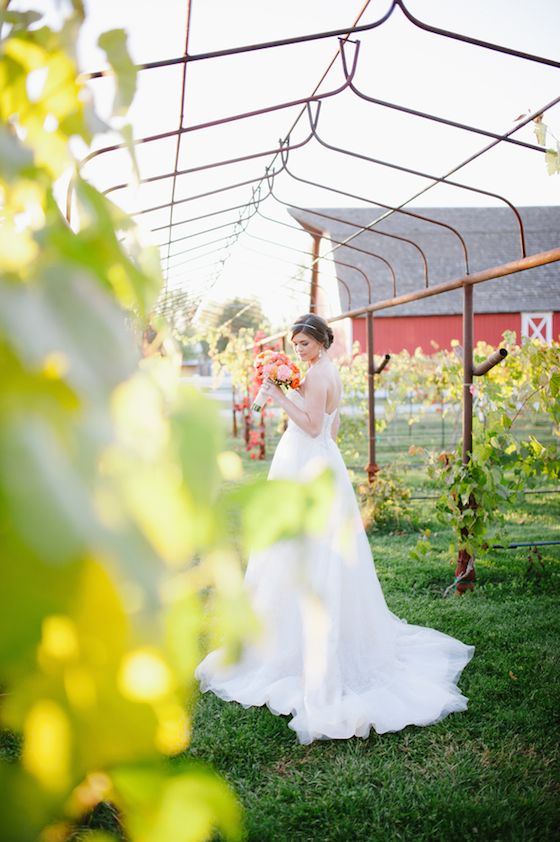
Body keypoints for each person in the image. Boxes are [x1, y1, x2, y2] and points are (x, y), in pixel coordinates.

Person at [195, 313, 474, 745]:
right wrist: (292, 389)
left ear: (321, 343)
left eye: (304, 344)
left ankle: (302, 646)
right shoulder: (323, 372)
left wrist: (277, 396)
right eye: (294, 345)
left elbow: (309, 425)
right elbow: (331, 426)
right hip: (318, 462)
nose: (298, 351)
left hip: (308, 467)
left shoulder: (320, 372)